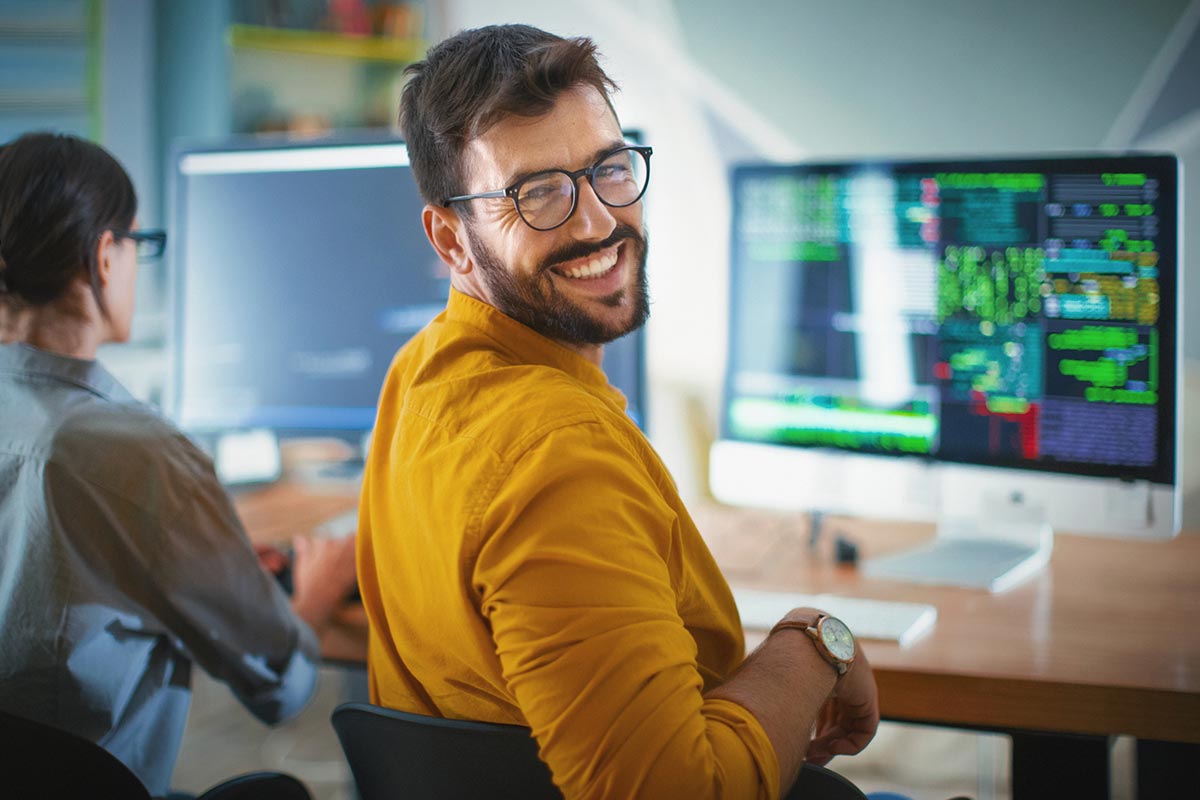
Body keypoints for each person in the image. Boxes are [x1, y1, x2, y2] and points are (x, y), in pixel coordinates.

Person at [356, 24, 880, 799]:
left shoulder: (423, 372)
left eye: (608, 168)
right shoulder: (560, 456)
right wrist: (814, 644)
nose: (597, 222)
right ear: (451, 240)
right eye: (536, 194)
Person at [0, 131, 358, 797]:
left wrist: (209, 559)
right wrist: (312, 592)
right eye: (140, 244)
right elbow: (277, 688)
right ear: (105, 257)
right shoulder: (137, 452)